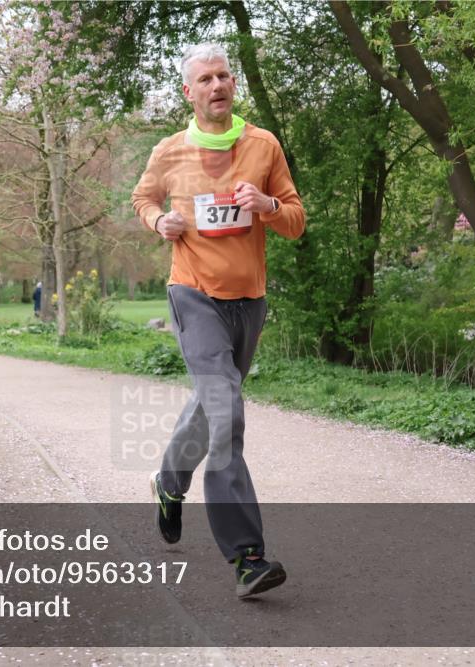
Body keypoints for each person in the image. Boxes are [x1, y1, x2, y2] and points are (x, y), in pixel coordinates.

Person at [131, 43, 305, 598]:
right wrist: (159, 221)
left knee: (214, 405)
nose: (217, 85)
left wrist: (268, 207)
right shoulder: (170, 151)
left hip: (248, 300)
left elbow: (295, 220)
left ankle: (169, 480)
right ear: (189, 92)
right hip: (193, 294)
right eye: (205, 79)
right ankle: (247, 556)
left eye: (223, 76)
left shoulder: (263, 146)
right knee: (226, 408)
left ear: (234, 84)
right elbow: (142, 199)